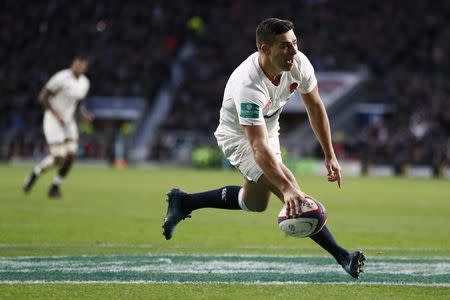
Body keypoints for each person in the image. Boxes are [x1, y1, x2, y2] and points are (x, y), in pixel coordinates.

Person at [162, 18, 365, 278]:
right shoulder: (249, 84)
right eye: (285, 46)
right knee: (289, 189)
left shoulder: (299, 63)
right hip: (238, 135)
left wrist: (330, 155)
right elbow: (257, 146)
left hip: (267, 127)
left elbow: (315, 106)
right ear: (265, 49)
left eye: (294, 43)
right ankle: (343, 256)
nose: (293, 51)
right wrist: (288, 188)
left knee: (255, 203)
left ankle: (185, 202)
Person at [23, 55, 93, 198]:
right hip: (53, 120)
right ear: (73, 63)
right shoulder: (61, 78)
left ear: (86, 67)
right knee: (59, 158)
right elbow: (43, 97)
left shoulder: (85, 83)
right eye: (78, 64)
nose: (80, 67)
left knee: (71, 156)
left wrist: (84, 114)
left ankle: (54, 187)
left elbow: (78, 103)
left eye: (83, 65)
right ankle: (34, 174)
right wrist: (56, 115)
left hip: (68, 121)